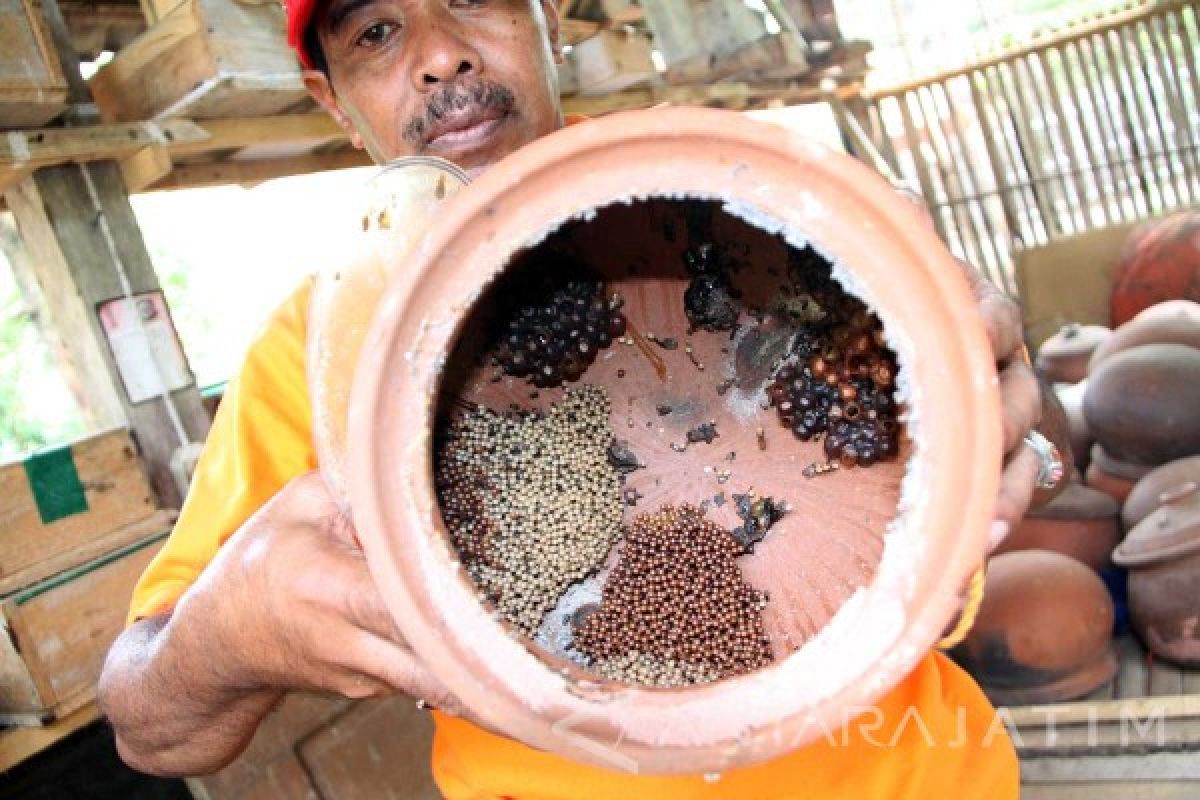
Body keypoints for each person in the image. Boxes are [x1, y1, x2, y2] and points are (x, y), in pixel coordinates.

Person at [99, 1, 1048, 796]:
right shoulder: (325, 349)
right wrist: (228, 639)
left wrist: (999, 407)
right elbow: (148, 724)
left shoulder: (741, 185)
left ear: (548, 16)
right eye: (375, 33)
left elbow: (959, 454)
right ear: (334, 100)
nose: (439, 56)